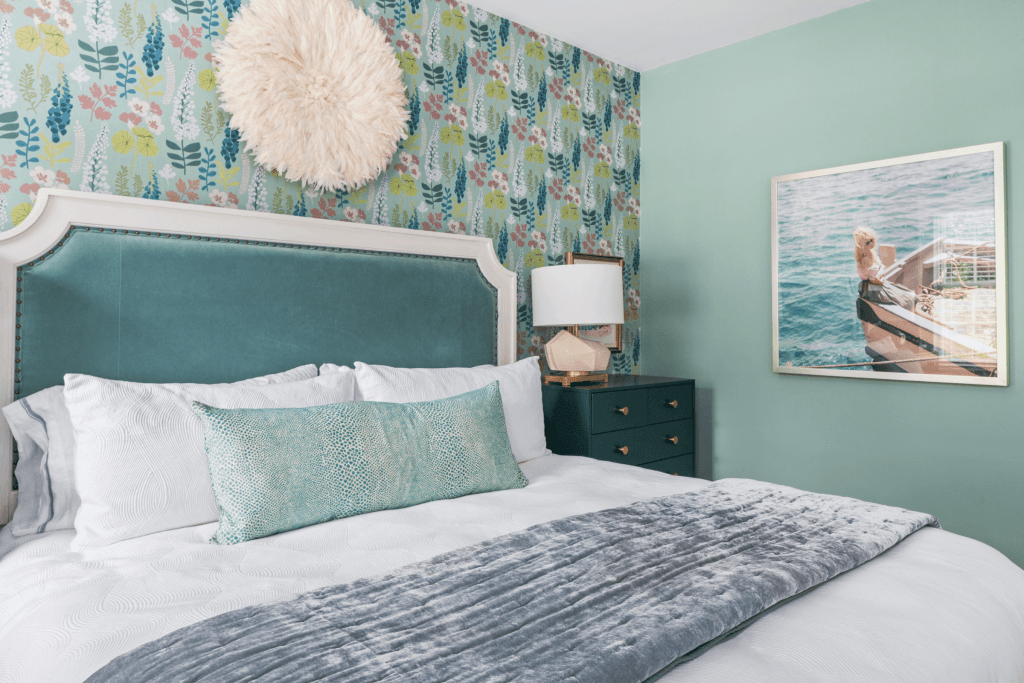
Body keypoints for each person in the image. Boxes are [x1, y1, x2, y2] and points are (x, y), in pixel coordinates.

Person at [853, 226, 917, 311]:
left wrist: (880, 270)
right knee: (907, 299)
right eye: (868, 242)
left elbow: (880, 271)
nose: (871, 243)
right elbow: (877, 280)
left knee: (910, 295)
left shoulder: (871, 252)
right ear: (861, 245)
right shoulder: (864, 260)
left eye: (872, 240)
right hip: (872, 290)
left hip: (876, 286)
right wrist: (881, 270)